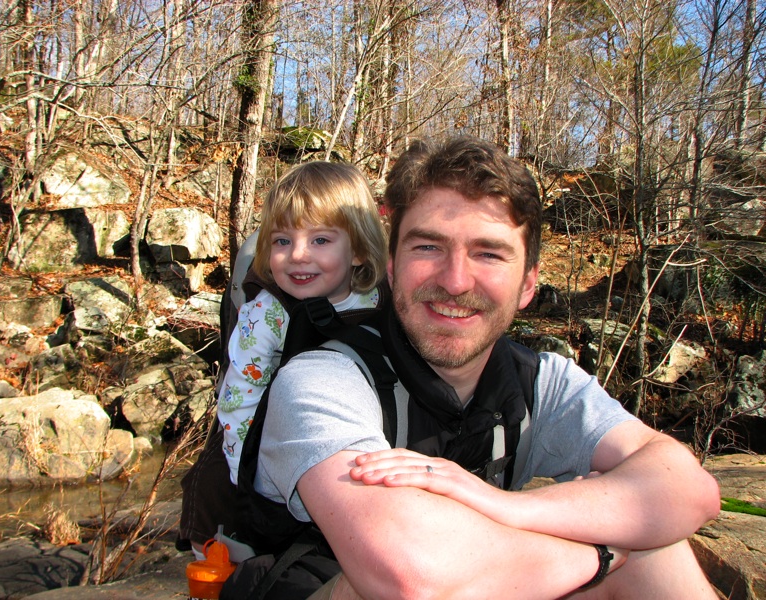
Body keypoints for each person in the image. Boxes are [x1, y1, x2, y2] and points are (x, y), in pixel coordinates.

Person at [240, 136, 720, 599]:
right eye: (427, 247)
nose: (454, 280)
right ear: (391, 266)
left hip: (486, 575)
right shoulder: (322, 380)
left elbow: (689, 489)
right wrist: (606, 553)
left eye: (488, 253)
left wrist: (502, 504)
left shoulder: (541, 382)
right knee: (645, 540)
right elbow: (409, 575)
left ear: (529, 284)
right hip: (323, 583)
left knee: (662, 549)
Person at [216, 160, 388, 486]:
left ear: (359, 250)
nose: (297, 255)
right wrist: (247, 480)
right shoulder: (266, 315)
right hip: (280, 456)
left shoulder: (378, 299)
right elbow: (238, 402)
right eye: (282, 241)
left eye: (320, 240)